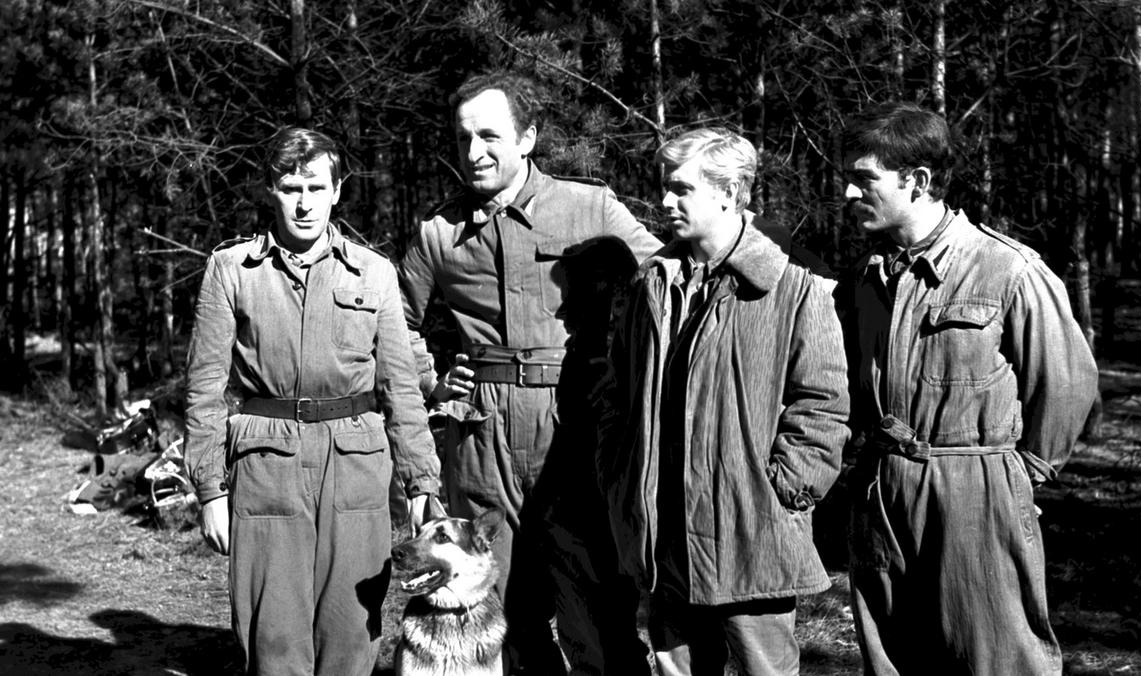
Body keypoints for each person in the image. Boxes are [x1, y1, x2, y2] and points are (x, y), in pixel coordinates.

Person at [398, 71, 662, 675]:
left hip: (575, 428)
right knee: (502, 615)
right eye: (462, 137)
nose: (473, 153)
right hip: (482, 435)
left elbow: (662, 284)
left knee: (596, 608)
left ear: (528, 138)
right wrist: (432, 381)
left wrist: (626, 382)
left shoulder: (588, 205)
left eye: (489, 135)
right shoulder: (439, 233)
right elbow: (394, 325)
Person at [836, 102, 1098, 674]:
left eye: (864, 179)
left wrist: (1018, 477)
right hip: (885, 489)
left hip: (977, 494)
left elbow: (1068, 385)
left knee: (998, 659)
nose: (851, 195)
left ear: (920, 181)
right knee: (893, 658)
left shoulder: (1008, 270)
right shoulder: (866, 278)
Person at [184, 127, 440, 676]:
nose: (304, 203)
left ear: (338, 190)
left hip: (355, 470)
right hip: (266, 468)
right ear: (270, 190)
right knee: (272, 635)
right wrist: (209, 490)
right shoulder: (231, 270)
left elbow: (401, 389)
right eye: (290, 187)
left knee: (352, 632)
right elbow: (205, 391)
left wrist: (422, 486)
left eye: (316, 187)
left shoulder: (374, 273)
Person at [595, 127, 851, 675]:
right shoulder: (652, 284)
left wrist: (783, 489)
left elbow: (824, 404)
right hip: (664, 540)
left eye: (681, 188)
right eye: (667, 186)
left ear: (730, 192)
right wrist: (620, 475)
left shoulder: (795, 285)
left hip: (751, 533)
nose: (665, 200)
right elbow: (617, 393)